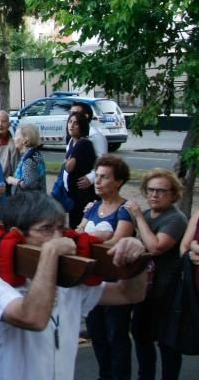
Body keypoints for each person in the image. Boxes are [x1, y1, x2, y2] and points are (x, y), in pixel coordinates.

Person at [0, 191, 149, 380]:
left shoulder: (69, 279)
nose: (58, 236)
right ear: (17, 234)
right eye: (46, 229)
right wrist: (51, 252)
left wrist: (136, 257)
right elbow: (32, 318)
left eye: (61, 228)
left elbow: (129, 294)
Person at [125, 169, 188, 380]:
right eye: (151, 190)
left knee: (167, 342)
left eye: (161, 191)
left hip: (167, 291)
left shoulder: (175, 219)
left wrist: (137, 218)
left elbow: (155, 247)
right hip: (144, 288)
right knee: (142, 337)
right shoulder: (145, 214)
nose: (154, 195)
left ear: (173, 194)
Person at [79, 155, 135, 380]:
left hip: (114, 281)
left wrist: (91, 238)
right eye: (97, 176)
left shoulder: (125, 209)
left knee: (116, 336)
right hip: (92, 278)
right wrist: (99, 236)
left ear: (119, 182)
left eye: (104, 177)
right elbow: (77, 232)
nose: (98, 181)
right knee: (98, 334)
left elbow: (117, 243)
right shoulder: (92, 208)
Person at [63, 111, 99, 228]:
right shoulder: (72, 142)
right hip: (74, 194)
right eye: (70, 122)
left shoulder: (82, 143)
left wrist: (66, 162)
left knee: (80, 226)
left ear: (82, 126)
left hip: (83, 195)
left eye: (76, 123)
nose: (71, 125)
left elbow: (69, 167)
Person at [8, 124, 47, 193]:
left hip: (31, 201)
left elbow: (29, 184)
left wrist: (13, 180)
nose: (14, 139)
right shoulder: (33, 153)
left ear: (25, 140)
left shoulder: (29, 159)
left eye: (16, 136)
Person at [0, 110, 20, 181]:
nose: (0, 124)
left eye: (4, 121)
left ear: (9, 124)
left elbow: (15, 173)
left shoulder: (13, 146)